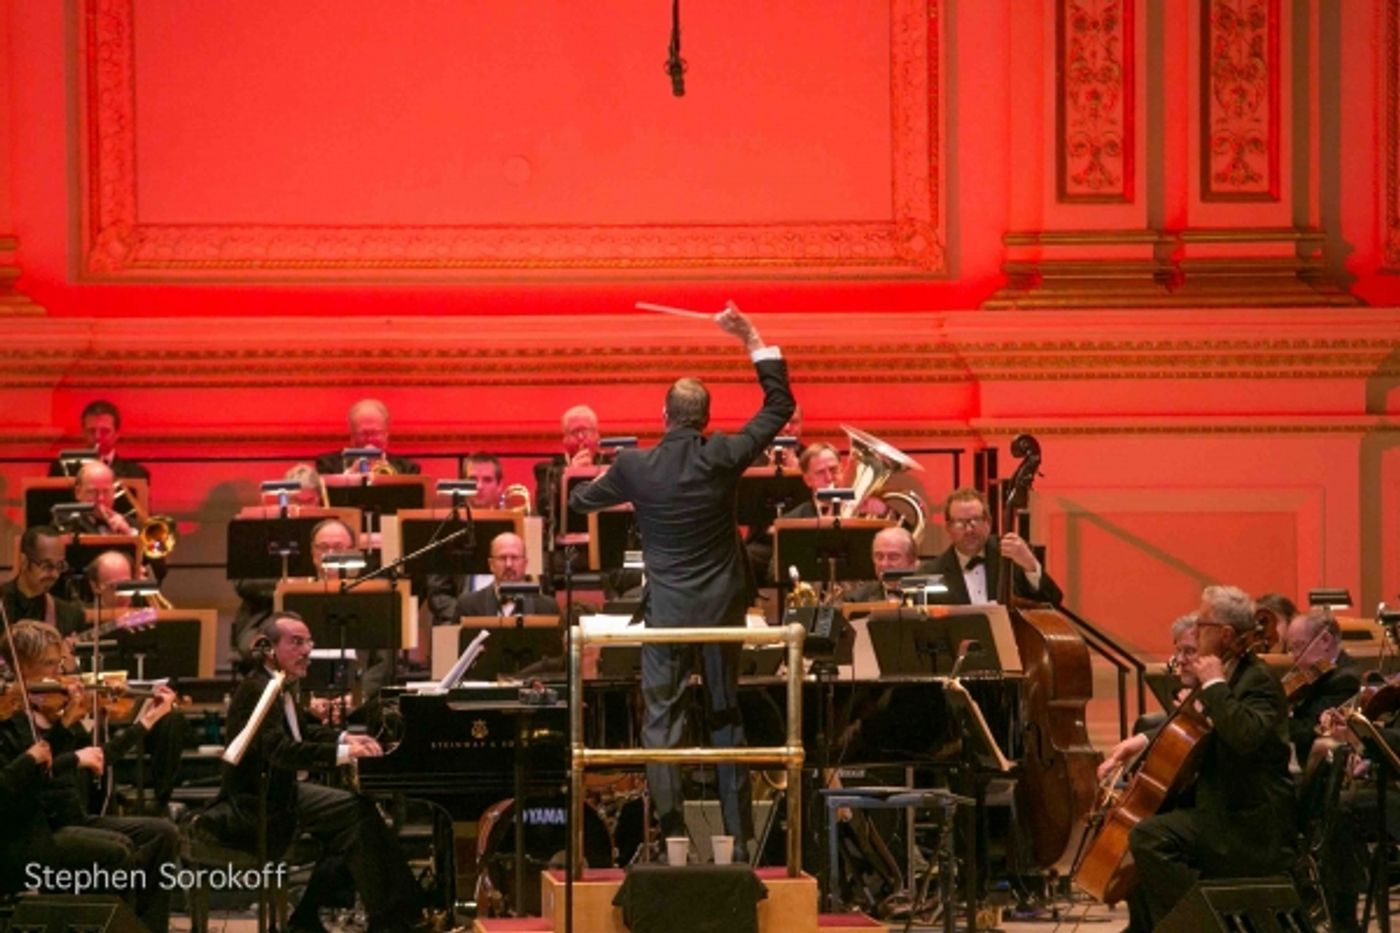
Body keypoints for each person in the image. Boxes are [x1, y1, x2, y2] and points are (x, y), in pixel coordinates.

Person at [570, 302, 795, 859]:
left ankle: (671, 837)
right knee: (724, 715)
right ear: (704, 418)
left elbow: (579, 500)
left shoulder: (634, 467)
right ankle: (737, 845)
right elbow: (780, 406)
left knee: (663, 722)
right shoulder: (723, 453)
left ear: (664, 414)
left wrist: (602, 472)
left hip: (667, 613)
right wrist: (752, 338)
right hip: (720, 612)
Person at [205, 612, 426, 933]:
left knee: (354, 824)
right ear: (269, 648)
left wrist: (343, 737)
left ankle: (322, 916)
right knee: (357, 813)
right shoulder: (258, 689)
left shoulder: (280, 684)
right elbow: (279, 751)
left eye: (309, 642)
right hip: (260, 799)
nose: (307, 650)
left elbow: (302, 732)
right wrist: (344, 753)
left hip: (285, 792)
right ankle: (396, 917)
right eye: (296, 642)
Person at [1097, 586, 1295, 931]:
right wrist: (1142, 740)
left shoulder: (1256, 679)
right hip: (1219, 807)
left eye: (1203, 625)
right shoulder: (1222, 674)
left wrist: (1215, 685)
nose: (1197, 631)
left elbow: (1245, 736)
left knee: (1150, 838)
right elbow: (1191, 727)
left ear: (1226, 634)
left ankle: (1211, 922)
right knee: (1145, 830)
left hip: (1249, 821)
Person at [0, 620, 180, 930]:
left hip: (71, 815)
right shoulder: (11, 718)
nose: (57, 675)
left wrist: (147, 721)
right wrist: (67, 729)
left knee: (164, 833)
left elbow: (97, 757)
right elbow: (37, 773)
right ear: (21, 663)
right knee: (119, 849)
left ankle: (146, 926)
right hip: (37, 828)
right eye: (47, 665)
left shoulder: (54, 709)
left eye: (59, 664)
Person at [81, 550, 190, 811]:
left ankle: (161, 802)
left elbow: (172, 663)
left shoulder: (147, 618)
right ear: (95, 586)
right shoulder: (80, 617)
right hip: (97, 705)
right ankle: (100, 802)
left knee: (172, 719)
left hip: (141, 701)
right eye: (116, 586)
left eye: (129, 585)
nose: (123, 594)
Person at [925, 487, 1062, 606]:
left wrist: (1030, 565)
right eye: (960, 522)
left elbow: (1053, 601)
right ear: (948, 527)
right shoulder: (932, 572)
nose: (969, 530)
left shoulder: (1011, 556)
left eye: (975, 520)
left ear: (988, 522)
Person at [1283, 607, 1361, 769]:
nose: (1295, 657)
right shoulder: (1315, 673)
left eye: (1299, 646)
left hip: (1320, 772)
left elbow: (1310, 729)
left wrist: (1274, 719)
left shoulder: (1344, 678)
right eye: (1291, 649)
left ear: (1325, 640)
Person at [1, 526, 87, 636]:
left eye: (60, 565)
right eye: (47, 566)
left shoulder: (71, 616)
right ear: (24, 562)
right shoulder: (2, 603)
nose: (55, 574)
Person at [455, 532, 560, 619]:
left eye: (514, 557)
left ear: (525, 563)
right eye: (502, 558)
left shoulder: (547, 607)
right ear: (491, 564)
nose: (508, 564)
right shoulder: (468, 605)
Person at [48, 399, 149, 481]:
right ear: (83, 433)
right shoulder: (62, 468)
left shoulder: (136, 474)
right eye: (91, 431)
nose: (97, 436)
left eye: (105, 431)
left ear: (117, 434)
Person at [314, 399, 421, 476]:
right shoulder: (327, 465)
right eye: (363, 433)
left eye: (375, 433)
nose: (370, 439)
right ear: (352, 435)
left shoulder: (408, 469)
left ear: (386, 434)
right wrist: (350, 475)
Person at [840, 526, 921, 604]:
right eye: (879, 556)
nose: (884, 564)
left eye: (893, 557)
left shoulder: (928, 595)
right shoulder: (856, 598)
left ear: (912, 561)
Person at [67, 460, 136, 536]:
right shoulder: (65, 524)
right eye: (93, 492)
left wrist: (129, 533)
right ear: (78, 493)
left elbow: (149, 546)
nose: (101, 498)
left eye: (106, 491)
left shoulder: (131, 525)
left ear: (113, 492)